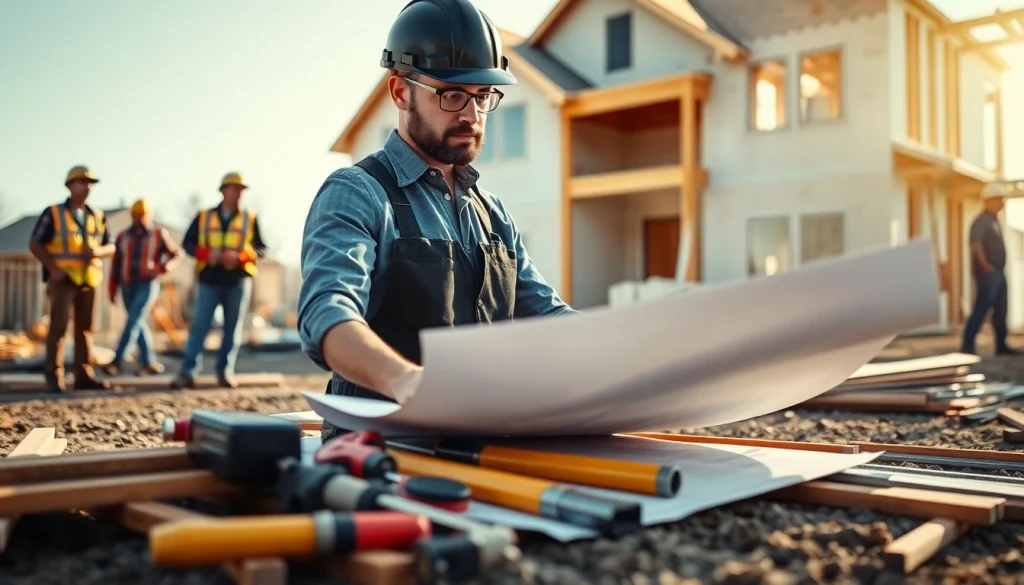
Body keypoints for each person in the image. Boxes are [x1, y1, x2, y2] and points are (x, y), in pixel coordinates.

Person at [297, 0, 577, 442]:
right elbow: (327, 315)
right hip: (378, 447)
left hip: (478, 441)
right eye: (451, 94)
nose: (471, 115)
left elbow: (548, 316)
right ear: (400, 92)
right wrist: (410, 384)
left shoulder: (493, 213)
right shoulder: (357, 193)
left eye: (483, 96)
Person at [171, 172, 267, 389]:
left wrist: (241, 256)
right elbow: (188, 244)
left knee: (232, 329)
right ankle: (187, 372)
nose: (239, 193)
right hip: (209, 279)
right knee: (200, 326)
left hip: (238, 280)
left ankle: (224, 372)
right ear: (223, 190)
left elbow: (261, 249)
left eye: (242, 190)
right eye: (234, 189)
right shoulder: (204, 216)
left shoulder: (249, 218)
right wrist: (206, 254)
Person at [27, 165, 116, 392]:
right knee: (58, 328)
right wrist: (52, 268)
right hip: (63, 279)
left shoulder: (96, 216)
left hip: (88, 279)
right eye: (81, 182)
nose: (86, 187)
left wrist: (99, 251)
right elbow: (35, 243)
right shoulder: (54, 213)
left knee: (85, 329)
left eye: (90, 183)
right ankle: (53, 377)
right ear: (70, 185)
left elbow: (111, 245)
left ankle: (83, 376)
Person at [102, 199, 183, 376]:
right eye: (136, 215)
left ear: (149, 215)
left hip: (147, 284)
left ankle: (117, 361)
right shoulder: (123, 236)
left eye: (142, 215)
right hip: (127, 284)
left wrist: (161, 268)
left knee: (133, 320)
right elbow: (116, 264)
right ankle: (149, 363)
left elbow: (175, 254)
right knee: (138, 323)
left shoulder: (158, 234)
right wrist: (112, 288)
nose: (139, 219)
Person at [961, 181, 1020, 356]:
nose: (1002, 203)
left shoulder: (995, 221)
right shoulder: (982, 220)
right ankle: (967, 345)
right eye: (999, 199)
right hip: (988, 273)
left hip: (999, 271)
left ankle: (1001, 345)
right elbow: (976, 244)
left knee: (1002, 309)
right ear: (989, 200)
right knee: (982, 308)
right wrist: (986, 265)